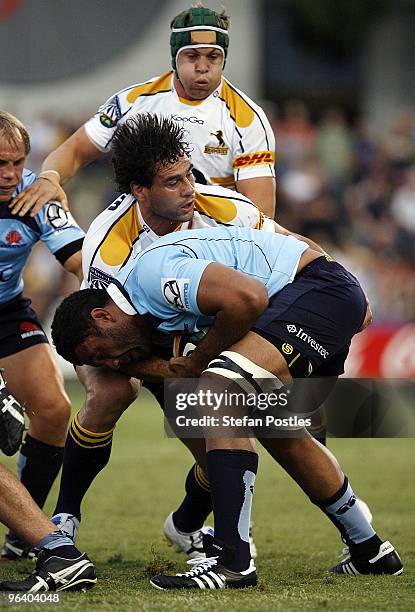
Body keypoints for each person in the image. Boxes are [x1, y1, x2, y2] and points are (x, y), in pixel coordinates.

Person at [50, 225, 402, 589]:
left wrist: (347, 288)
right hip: (309, 301)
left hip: (316, 295)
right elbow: (178, 362)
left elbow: (249, 297)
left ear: (103, 316)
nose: (115, 364)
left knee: (217, 392)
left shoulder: (150, 275)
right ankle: (370, 550)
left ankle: (233, 561)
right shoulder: (148, 306)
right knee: (279, 432)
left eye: (102, 354)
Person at [48, 113, 323, 559]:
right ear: (139, 190)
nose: (190, 189)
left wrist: (337, 283)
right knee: (109, 393)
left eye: (189, 176)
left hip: (200, 336)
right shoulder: (109, 246)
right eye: (173, 182)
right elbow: (103, 335)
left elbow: (291, 248)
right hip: (129, 338)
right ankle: (65, 520)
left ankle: (188, 525)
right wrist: (166, 368)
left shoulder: (226, 209)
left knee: (223, 448)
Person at [9, 4, 276, 219]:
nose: (203, 66)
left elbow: (261, 217)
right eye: (192, 56)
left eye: (213, 57)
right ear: (175, 58)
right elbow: (75, 150)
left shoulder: (248, 118)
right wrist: (49, 177)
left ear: (223, 59)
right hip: (140, 238)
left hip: (213, 244)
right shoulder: (134, 101)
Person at [0, 111, 84, 559]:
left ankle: (21, 537)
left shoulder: (35, 195)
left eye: (17, 162)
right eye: (0, 163)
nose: (10, 174)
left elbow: (81, 260)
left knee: (53, 409)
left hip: (7, 312)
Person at [0, 377, 96, 593]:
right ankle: (42, 539)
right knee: (108, 394)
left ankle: (185, 522)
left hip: (176, 359)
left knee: (53, 411)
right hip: (170, 359)